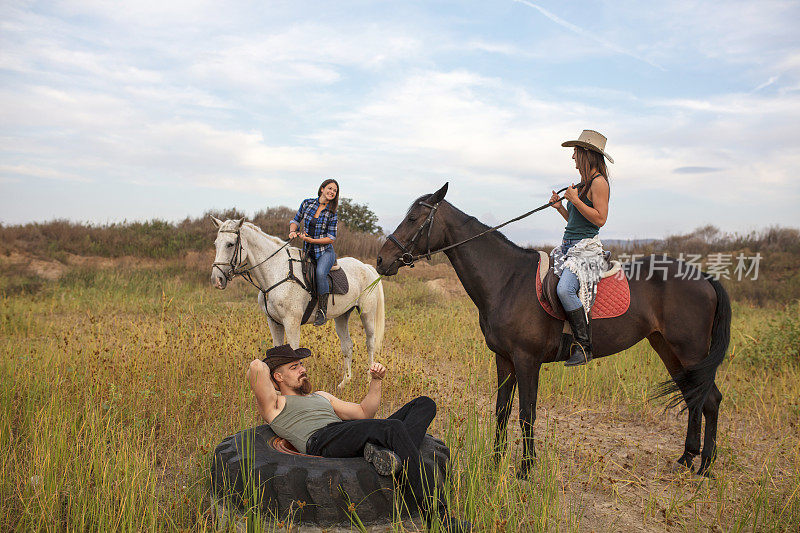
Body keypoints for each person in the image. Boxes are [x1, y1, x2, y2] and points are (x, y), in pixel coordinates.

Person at [247, 344, 469, 532]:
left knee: (424, 403)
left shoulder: (322, 396)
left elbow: (364, 413)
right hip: (321, 440)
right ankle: (439, 517)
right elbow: (256, 366)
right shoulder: (275, 405)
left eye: (302, 365)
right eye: (294, 367)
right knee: (392, 429)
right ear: (277, 376)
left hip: (344, 431)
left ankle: (386, 454)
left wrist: (376, 381)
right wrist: (274, 360)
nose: (302, 370)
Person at [548, 130, 613, 366]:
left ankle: (585, 347)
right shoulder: (584, 184)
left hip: (586, 251)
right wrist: (561, 208)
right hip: (568, 246)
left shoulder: (599, 183)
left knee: (565, 290)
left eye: (575, 152)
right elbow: (577, 223)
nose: (573, 158)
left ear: (586, 154)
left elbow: (599, 219)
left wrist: (574, 200)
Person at [289, 179, 339, 326]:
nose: (332, 192)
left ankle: (322, 311)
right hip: (307, 250)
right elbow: (296, 220)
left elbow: (331, 238)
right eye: (329, 188)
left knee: (320, 273)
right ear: (322, 189)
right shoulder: (307, 203)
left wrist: (311, 240)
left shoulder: (332, 212)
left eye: (335, 191)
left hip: (324, 252)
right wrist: (292, 231)